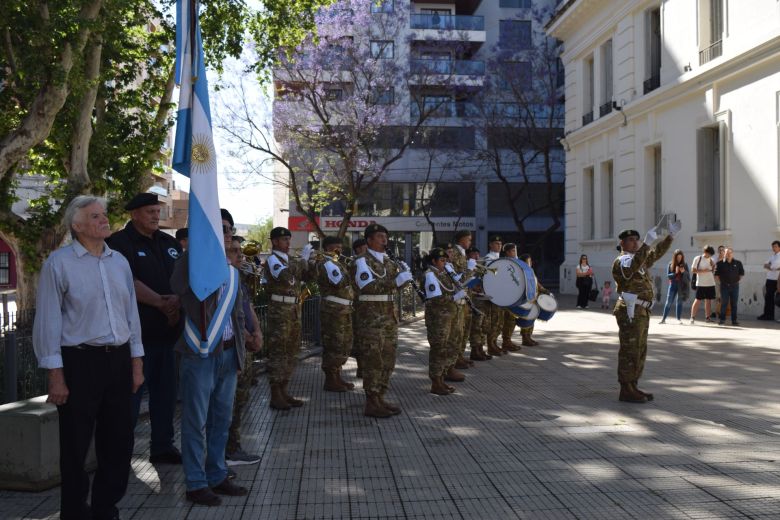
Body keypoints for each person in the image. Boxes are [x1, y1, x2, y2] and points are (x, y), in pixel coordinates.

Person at [33, 196, 144, 520]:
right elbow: (49, 321)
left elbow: (130, 316)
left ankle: (105, 507)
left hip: (118, 361)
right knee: (75, 445)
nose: (104, 220)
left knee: (119, 440)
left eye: (104, 215)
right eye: (95, 217)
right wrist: (56, 375)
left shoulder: (119, 262)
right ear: (78, 226)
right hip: (80, 363)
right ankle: (74, 510)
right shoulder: (59, 263)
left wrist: (136, 363)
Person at [171, 208, 248, 506]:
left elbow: (237, 314)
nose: (227, 234)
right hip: (200, 353)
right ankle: (195, 482)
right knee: (195, 420)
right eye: (221, 228)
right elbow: (178, 287)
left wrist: (241, 353)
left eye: (230, 229)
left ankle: (217, 474)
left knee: (221, 419)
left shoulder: (233, 269)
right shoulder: (191, 261)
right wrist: (199, 255)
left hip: (228, 353)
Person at [106, 192, 183, 465]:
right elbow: (126, 281)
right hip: (134, 341)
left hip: (169, 336)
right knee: (129, 400)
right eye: (150, 211)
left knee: (165, 398)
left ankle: (162, 447)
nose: (155, 215)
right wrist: (162, 304)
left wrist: (177, 300)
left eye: (157, 210)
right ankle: (120, 455)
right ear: (134, 214)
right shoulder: (117, 243)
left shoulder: (169, 242)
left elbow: (183, 277)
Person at [349, 223, 412, 417]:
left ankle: (380, 397)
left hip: (388, 318)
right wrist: (396, 281)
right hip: (370, 319)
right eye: (379, 236)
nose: (384, 240)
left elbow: (392, 288)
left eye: (385, 236)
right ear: (369, 240)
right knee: (372, 360)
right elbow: (368, 286)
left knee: (388, 359)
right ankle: (371, 401)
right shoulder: (361, 261)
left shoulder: (389, 262)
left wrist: (404, 279)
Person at [612, 222, 678, 404]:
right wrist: (647, 244)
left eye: (637, 240)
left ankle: (633, 385)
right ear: (622, 244)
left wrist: (670, 237)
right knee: (629, 350)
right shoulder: (622, 261)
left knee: (640, 350)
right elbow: (629, 270)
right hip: (630, 311)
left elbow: (655, 254)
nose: (635, 243)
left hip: (642, 310)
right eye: (630, 240)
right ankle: (625, 389)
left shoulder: (639, 261)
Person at [263, 227, 312, 410]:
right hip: (279, 309)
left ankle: (284, 390)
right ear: (275, 241)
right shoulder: (273, 260)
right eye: (284, 239)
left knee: (291, 351)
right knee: (278, 351)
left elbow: (307, 275)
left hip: (293, 308)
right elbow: (285, 277)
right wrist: (303, 261)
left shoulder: (291, 260)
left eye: (289, 239)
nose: (288, 243)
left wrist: (307, 263)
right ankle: (275, 394)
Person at [225, 237, 263, 467]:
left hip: (246, 346)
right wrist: (248, 337)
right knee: (229, 402)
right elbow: (229, 313)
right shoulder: (223, 277)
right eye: (234, 251)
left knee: (241, 400)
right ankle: (227, 451)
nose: (240, 255)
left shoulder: (238, 278)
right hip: (236, 346)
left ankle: (233, 446)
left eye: (240, 250)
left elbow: (248, 308)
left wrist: (257, 331)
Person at [315, 236, 356, 392]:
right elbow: (338, 283)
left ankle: (337, 377)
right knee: (334, 344)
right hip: (333, 310)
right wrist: (354, 269)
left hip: (343, 309)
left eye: (340, 247)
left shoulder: (337, 263)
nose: (339, 250)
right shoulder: (326, 263)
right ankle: (330, 380)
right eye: (335, 248)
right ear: (326, 249)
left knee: (344, 344)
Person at [423, 248, 461, 395]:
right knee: (438, 349)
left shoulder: (443, 274)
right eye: (442, 260)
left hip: (447, 317)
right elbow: (436, 298)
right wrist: (454, 298)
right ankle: (435, 382)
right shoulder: (430, 275)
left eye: (446, 260)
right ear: (433, 261)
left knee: (444, 348)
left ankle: (441, 379)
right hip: (437, 319)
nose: (444, 263)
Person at [449, 230, 476, 371]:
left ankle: (459, 355)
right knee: (457, 330)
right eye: (468, 239)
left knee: (463, 329)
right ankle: (455, 359)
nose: (470, 242)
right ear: (461, 239)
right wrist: (470, 270)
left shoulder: (463, 253)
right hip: (457, 296)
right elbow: (457, 277)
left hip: (465, 295)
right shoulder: (453, 253)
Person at [517, 253, 551, 346]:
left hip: (533, 297)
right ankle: (525, 338)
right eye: (529, 261)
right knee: (526, 318)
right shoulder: (521, 271)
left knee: (532, 317)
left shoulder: (530, 270)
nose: (531, 262)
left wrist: (544, 290)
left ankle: (529, 336)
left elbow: (536, 282)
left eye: (530, 261)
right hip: (525, 299)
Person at [466, 246, 491, 361]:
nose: (476, 257)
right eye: (473, 254)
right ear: (468, 255)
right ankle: (475, 350)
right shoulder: (468, 268)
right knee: (476, 327)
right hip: (473, 301)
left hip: (482, 301)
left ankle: (480, 348)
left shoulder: (478, 267)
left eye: (477, 254)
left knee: (483, 326)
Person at [483, 235, 504, 357]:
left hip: (500, 293)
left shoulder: (499, 258)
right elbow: (491, 276)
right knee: (493, 320)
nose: (499, 246)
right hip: (493, 293)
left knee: (499, 321)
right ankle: (491, 345)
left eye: (500, 243)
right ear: (490, 245)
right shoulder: (489, 258)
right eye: (496, 243)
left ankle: (495, 343)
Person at [499, 243, 522, 352]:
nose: (515, 253)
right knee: (506, 320)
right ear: (507, 252)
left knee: (512, 319)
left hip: (514, 296)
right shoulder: (504, 263)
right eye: (513, 251)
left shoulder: (515, 262)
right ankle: (505, 341)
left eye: (515, 250)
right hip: (506, 296)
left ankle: (507, 341)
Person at [715, 247, 744, 326]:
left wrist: (736, 281)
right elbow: (716, 275)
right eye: (727, 253)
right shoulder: (720, 264)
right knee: (724, 303)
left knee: (734, 304)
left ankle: (734, 320)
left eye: (730, 253)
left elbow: (741, 274)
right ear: (724, 253)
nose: (728, 254)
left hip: (735, 286)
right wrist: (722, 282)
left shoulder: (738, 263)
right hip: (724, 286)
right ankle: (722, 320)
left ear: (732, 253)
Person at [659, 249, 689, 324]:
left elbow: (688, 277)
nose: (679, 259)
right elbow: (668, 276)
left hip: (681, 286)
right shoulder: (670, 264)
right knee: (668, 302)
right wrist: (675, 273)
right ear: (675, 257)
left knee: (679, 302)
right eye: (678, 257)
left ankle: (678, 319)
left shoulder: (685, 264)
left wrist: (683, 272)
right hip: (673, 285)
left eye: (680, 257)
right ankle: (663, 319)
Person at [689, 245, 717, 324]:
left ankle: (707, 317)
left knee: (708, 300)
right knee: (697, 300)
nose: (709, 256)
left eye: (711, 254)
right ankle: (692, 317)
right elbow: (693, 270)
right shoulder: (698, 258)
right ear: (705, 252)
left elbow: (712, 270)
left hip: (710, 283)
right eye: (709, 254)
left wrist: (714, 268)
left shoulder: (711, 260)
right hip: (700, 283)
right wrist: (703, 271)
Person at [758, 241, 780, 320]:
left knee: (775, 298)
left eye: (775, 246)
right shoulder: (772, 256)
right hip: (770, 279)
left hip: (777, 280)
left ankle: (770, 316)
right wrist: (770, 266)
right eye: (773, 246)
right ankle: (767, 315)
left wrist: (770, 266)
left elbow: (773, 266)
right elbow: (765, 264)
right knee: (768, 298)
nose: (774, 248)